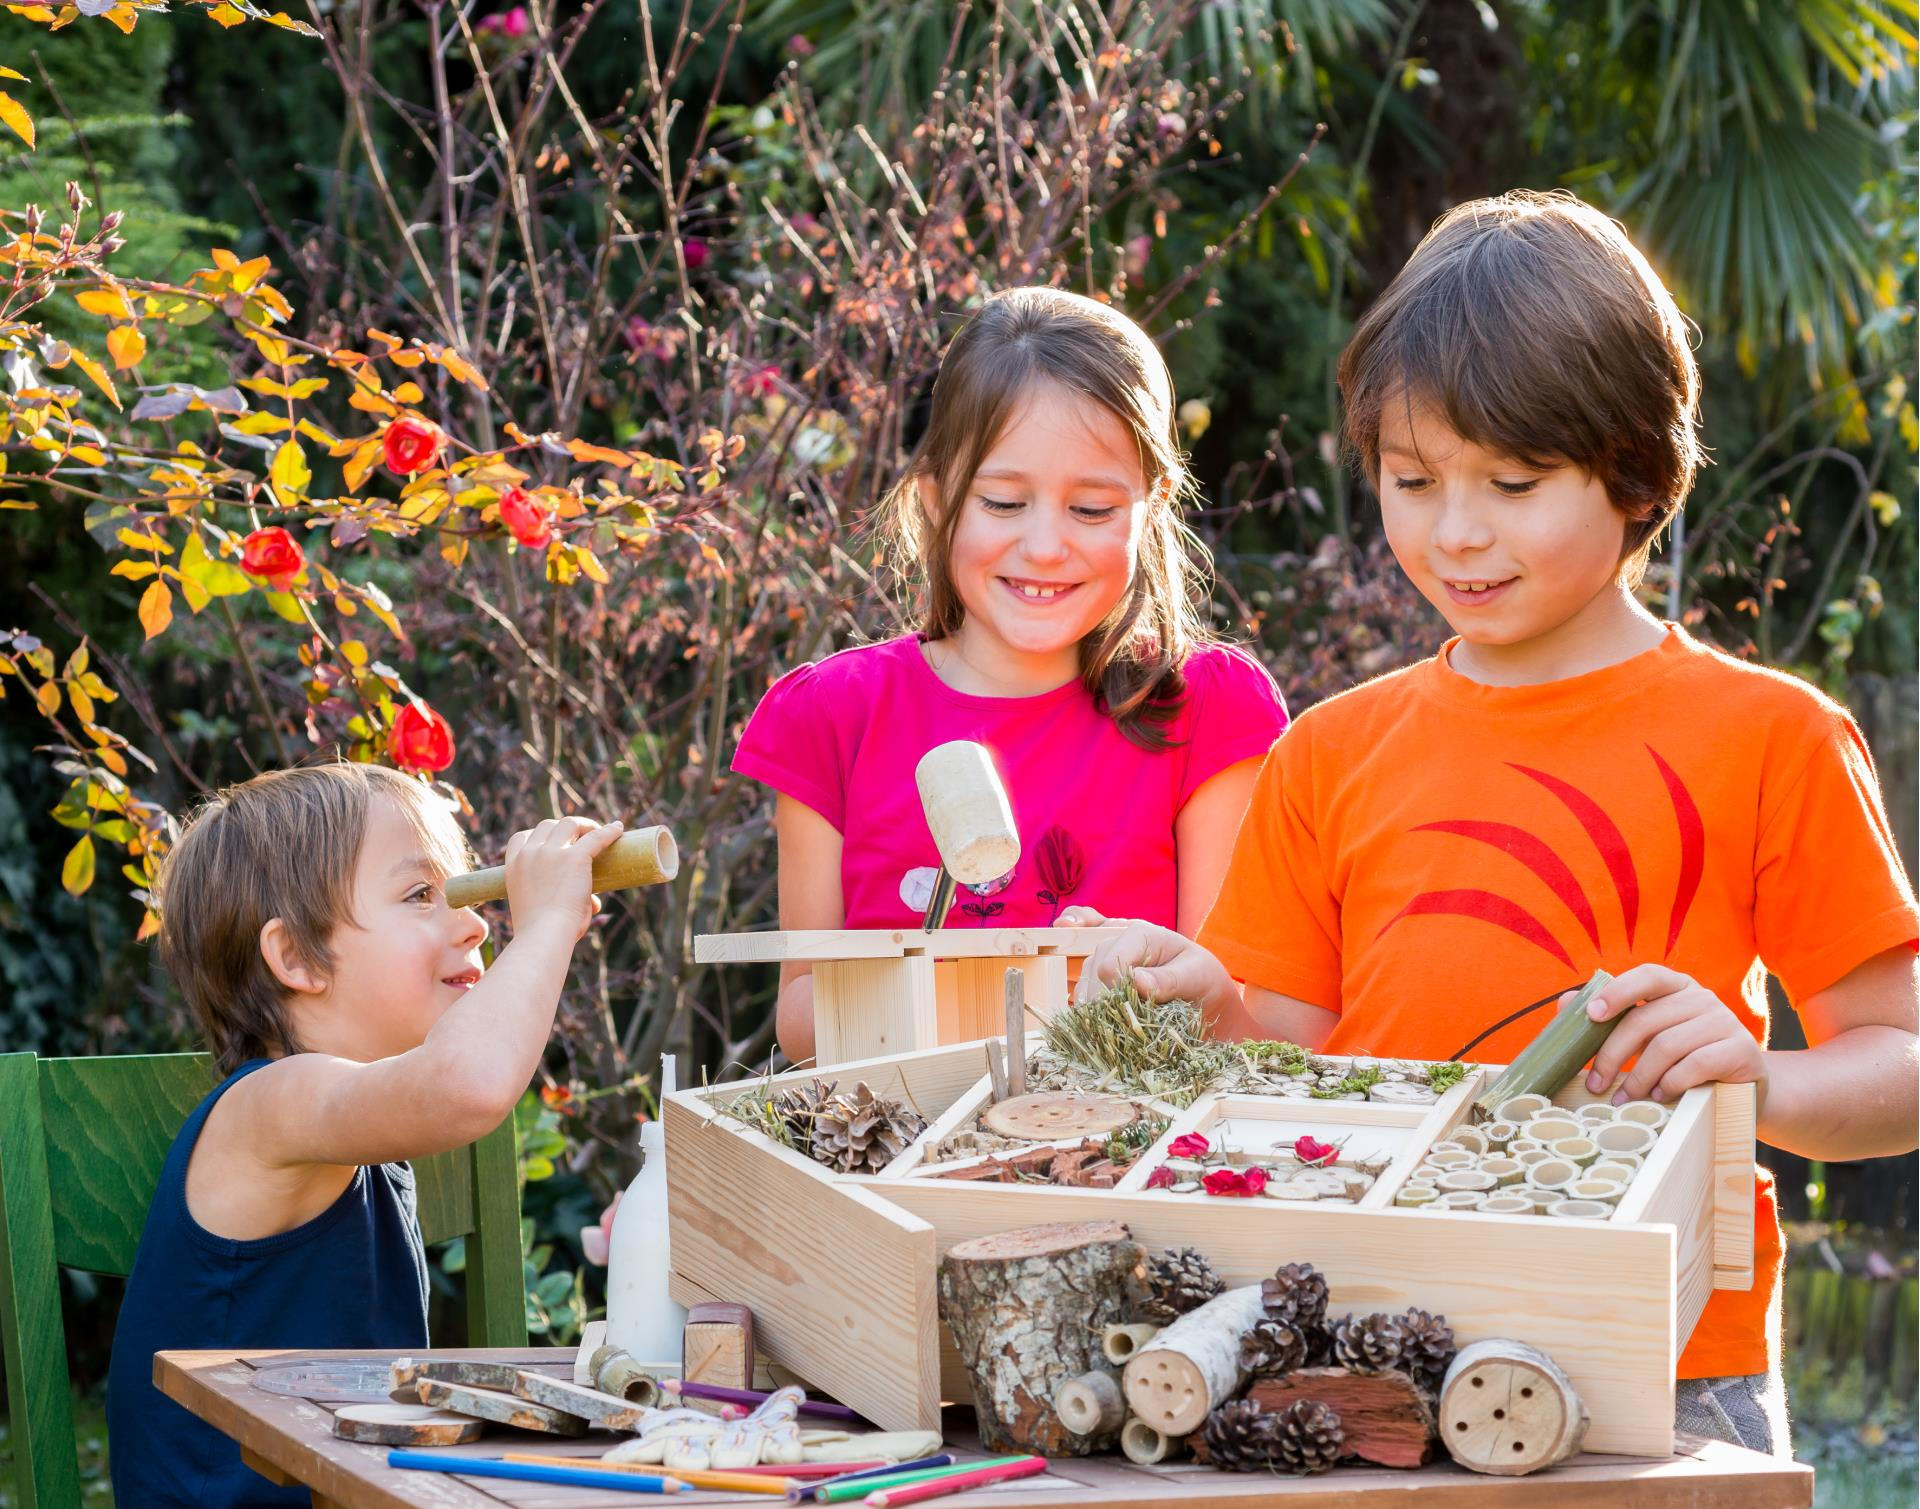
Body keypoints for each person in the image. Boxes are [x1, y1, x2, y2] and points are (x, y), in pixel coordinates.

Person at [1074, 191, 1919, 1455]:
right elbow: (1292, 1068)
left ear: (1637, 472)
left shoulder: (1775, 737)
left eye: (1514, 483)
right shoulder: (1328, 754)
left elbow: (1902, 1067)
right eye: (1412, 481)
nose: (1456, 532)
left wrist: (1764, 1081)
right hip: (1372, 1354)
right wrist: (1207, 1005)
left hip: (1669, 1366)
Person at [734, 286, 1288, 1063]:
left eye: (1091, 510)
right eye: (1002, 502)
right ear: (936, 501)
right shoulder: (833, 715)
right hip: (900, 1126)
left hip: (1130, 1122)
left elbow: (1235, 1011)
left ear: (1153, 503)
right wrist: (995, 996)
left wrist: (1147, 981)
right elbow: (799, 1013)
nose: (1046, 546)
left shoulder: (1209, 711)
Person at [106, 762, 622, 1506]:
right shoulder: (268, 1108)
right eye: (420, 895)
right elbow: (468, 1083)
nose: (477, 923)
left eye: (461, 892)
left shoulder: (361, 1126)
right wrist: (544, 924)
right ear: (297, 957)